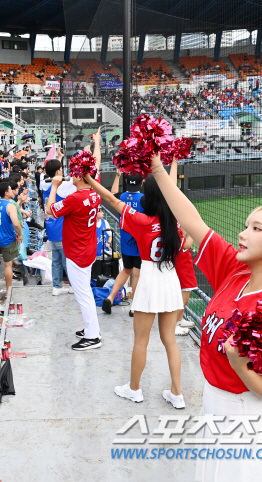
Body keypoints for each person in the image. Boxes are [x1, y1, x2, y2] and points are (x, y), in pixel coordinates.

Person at [147, 152, 262, 480]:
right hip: (213, 409)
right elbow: (191, 219)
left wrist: (241, 367)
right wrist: (156, 169)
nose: (243, 234)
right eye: (246, 225)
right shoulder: (235, 271)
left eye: (256, 228)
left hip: (244, 423)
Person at [85, 161, 185, 407]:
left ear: (147, 196)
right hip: (170, 278)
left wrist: (89, 178)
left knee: (141, 340)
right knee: (170, 340)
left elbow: (110, 198)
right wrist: (169, 162)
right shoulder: (175, 222)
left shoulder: (141, 220)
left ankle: (134, 389)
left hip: (150, 278)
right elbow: (171, 188)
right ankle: (177, 393)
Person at [45, 143, 102, 351]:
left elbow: (51, 210)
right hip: (87, 248)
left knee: (83, 294)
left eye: (74, 173)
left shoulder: (76, 198)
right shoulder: (94, 193)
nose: (71, 175)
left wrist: (54, 186)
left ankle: (93, 336)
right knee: (85, 291)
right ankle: (90, 328)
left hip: (78, 252)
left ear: (80, 176)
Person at [102, 170, 145, 315]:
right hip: (139, 242)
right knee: (137, 273)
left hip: (126, 242)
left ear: (126, 182)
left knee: (126, 269)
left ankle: (110, 297)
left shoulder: (122, 197)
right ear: (142, 183)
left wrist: (117, 176)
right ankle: (134, 307)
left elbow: (112, 195)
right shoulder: (144, 199)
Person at [40, 153, 76, 296]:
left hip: (51, 229)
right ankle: (74, 286)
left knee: (56, 260)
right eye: (61, 169)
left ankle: (57, 286)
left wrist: (59, 159)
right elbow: (73, 181)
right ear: (58, 172)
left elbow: (53, 175)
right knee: (67, 261)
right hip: (62, 230)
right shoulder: (64, 187)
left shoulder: (44, 182)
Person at [0, 181, 22, 296]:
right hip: (7, 239)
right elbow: (16, 224)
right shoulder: (10, 206)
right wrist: (20, 234)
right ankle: (8, 290)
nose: (13, 191)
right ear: (6, 193)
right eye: (10, 189)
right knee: (8, 265)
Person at [174, 228, 198, 336]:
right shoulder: (172, 224)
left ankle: (179, 320)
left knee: (184, 295)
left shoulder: (175, 225)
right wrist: (193, 230)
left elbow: (182, 234)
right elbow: (186, 244)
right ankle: (173, 325)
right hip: (181, 265)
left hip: (183, 263)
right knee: (183, 296)